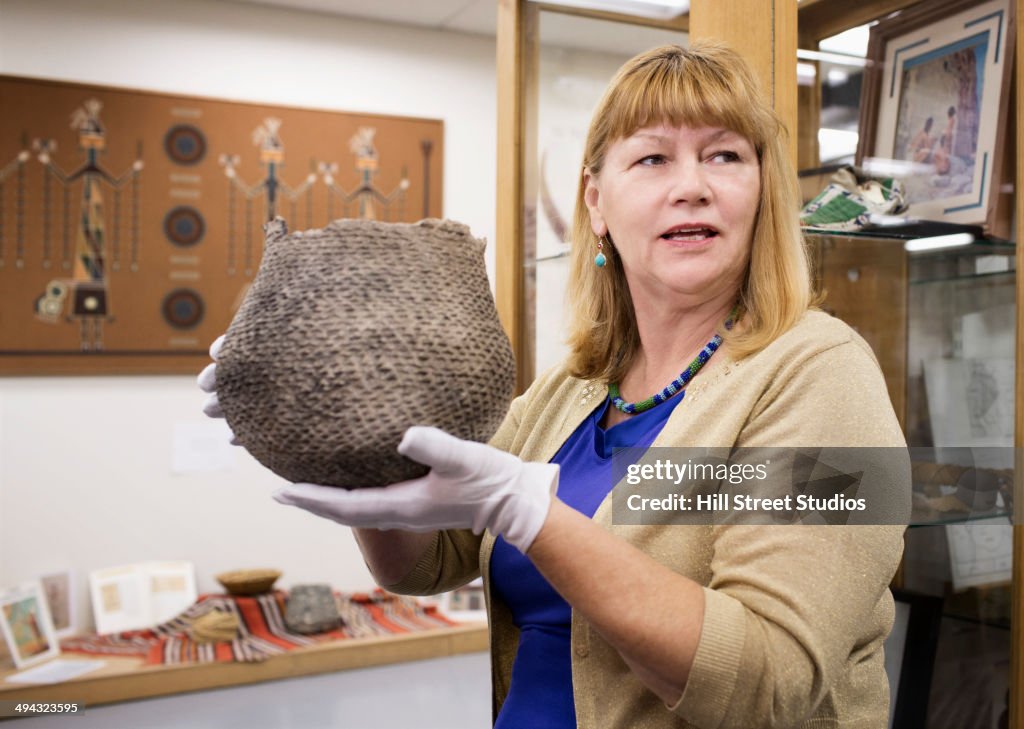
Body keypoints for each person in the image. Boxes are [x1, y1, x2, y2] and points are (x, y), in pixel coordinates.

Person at [200, 42, 909, 729]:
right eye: (653, 157)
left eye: (724, 154)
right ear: (596, 204)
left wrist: (532, 516)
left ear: (761, 191)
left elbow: (768, 682)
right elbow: (429, 560)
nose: (691, 184)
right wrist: (344, 449)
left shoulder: (826, 373)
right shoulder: (576, 388)